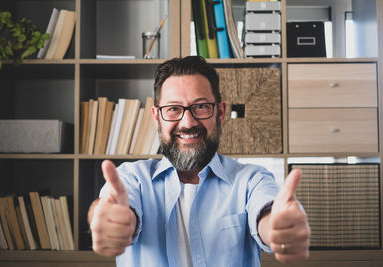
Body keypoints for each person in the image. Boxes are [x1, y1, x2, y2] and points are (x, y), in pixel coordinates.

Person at [88, 56, 310, 267]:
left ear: (220, 113)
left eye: (201, 107)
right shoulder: (131, 177)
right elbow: (108, 206)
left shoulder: (251, 179)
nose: (188, 122)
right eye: (173, 109)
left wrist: (279, 228)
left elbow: (269, 214)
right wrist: (106, 217)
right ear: (157, 118)